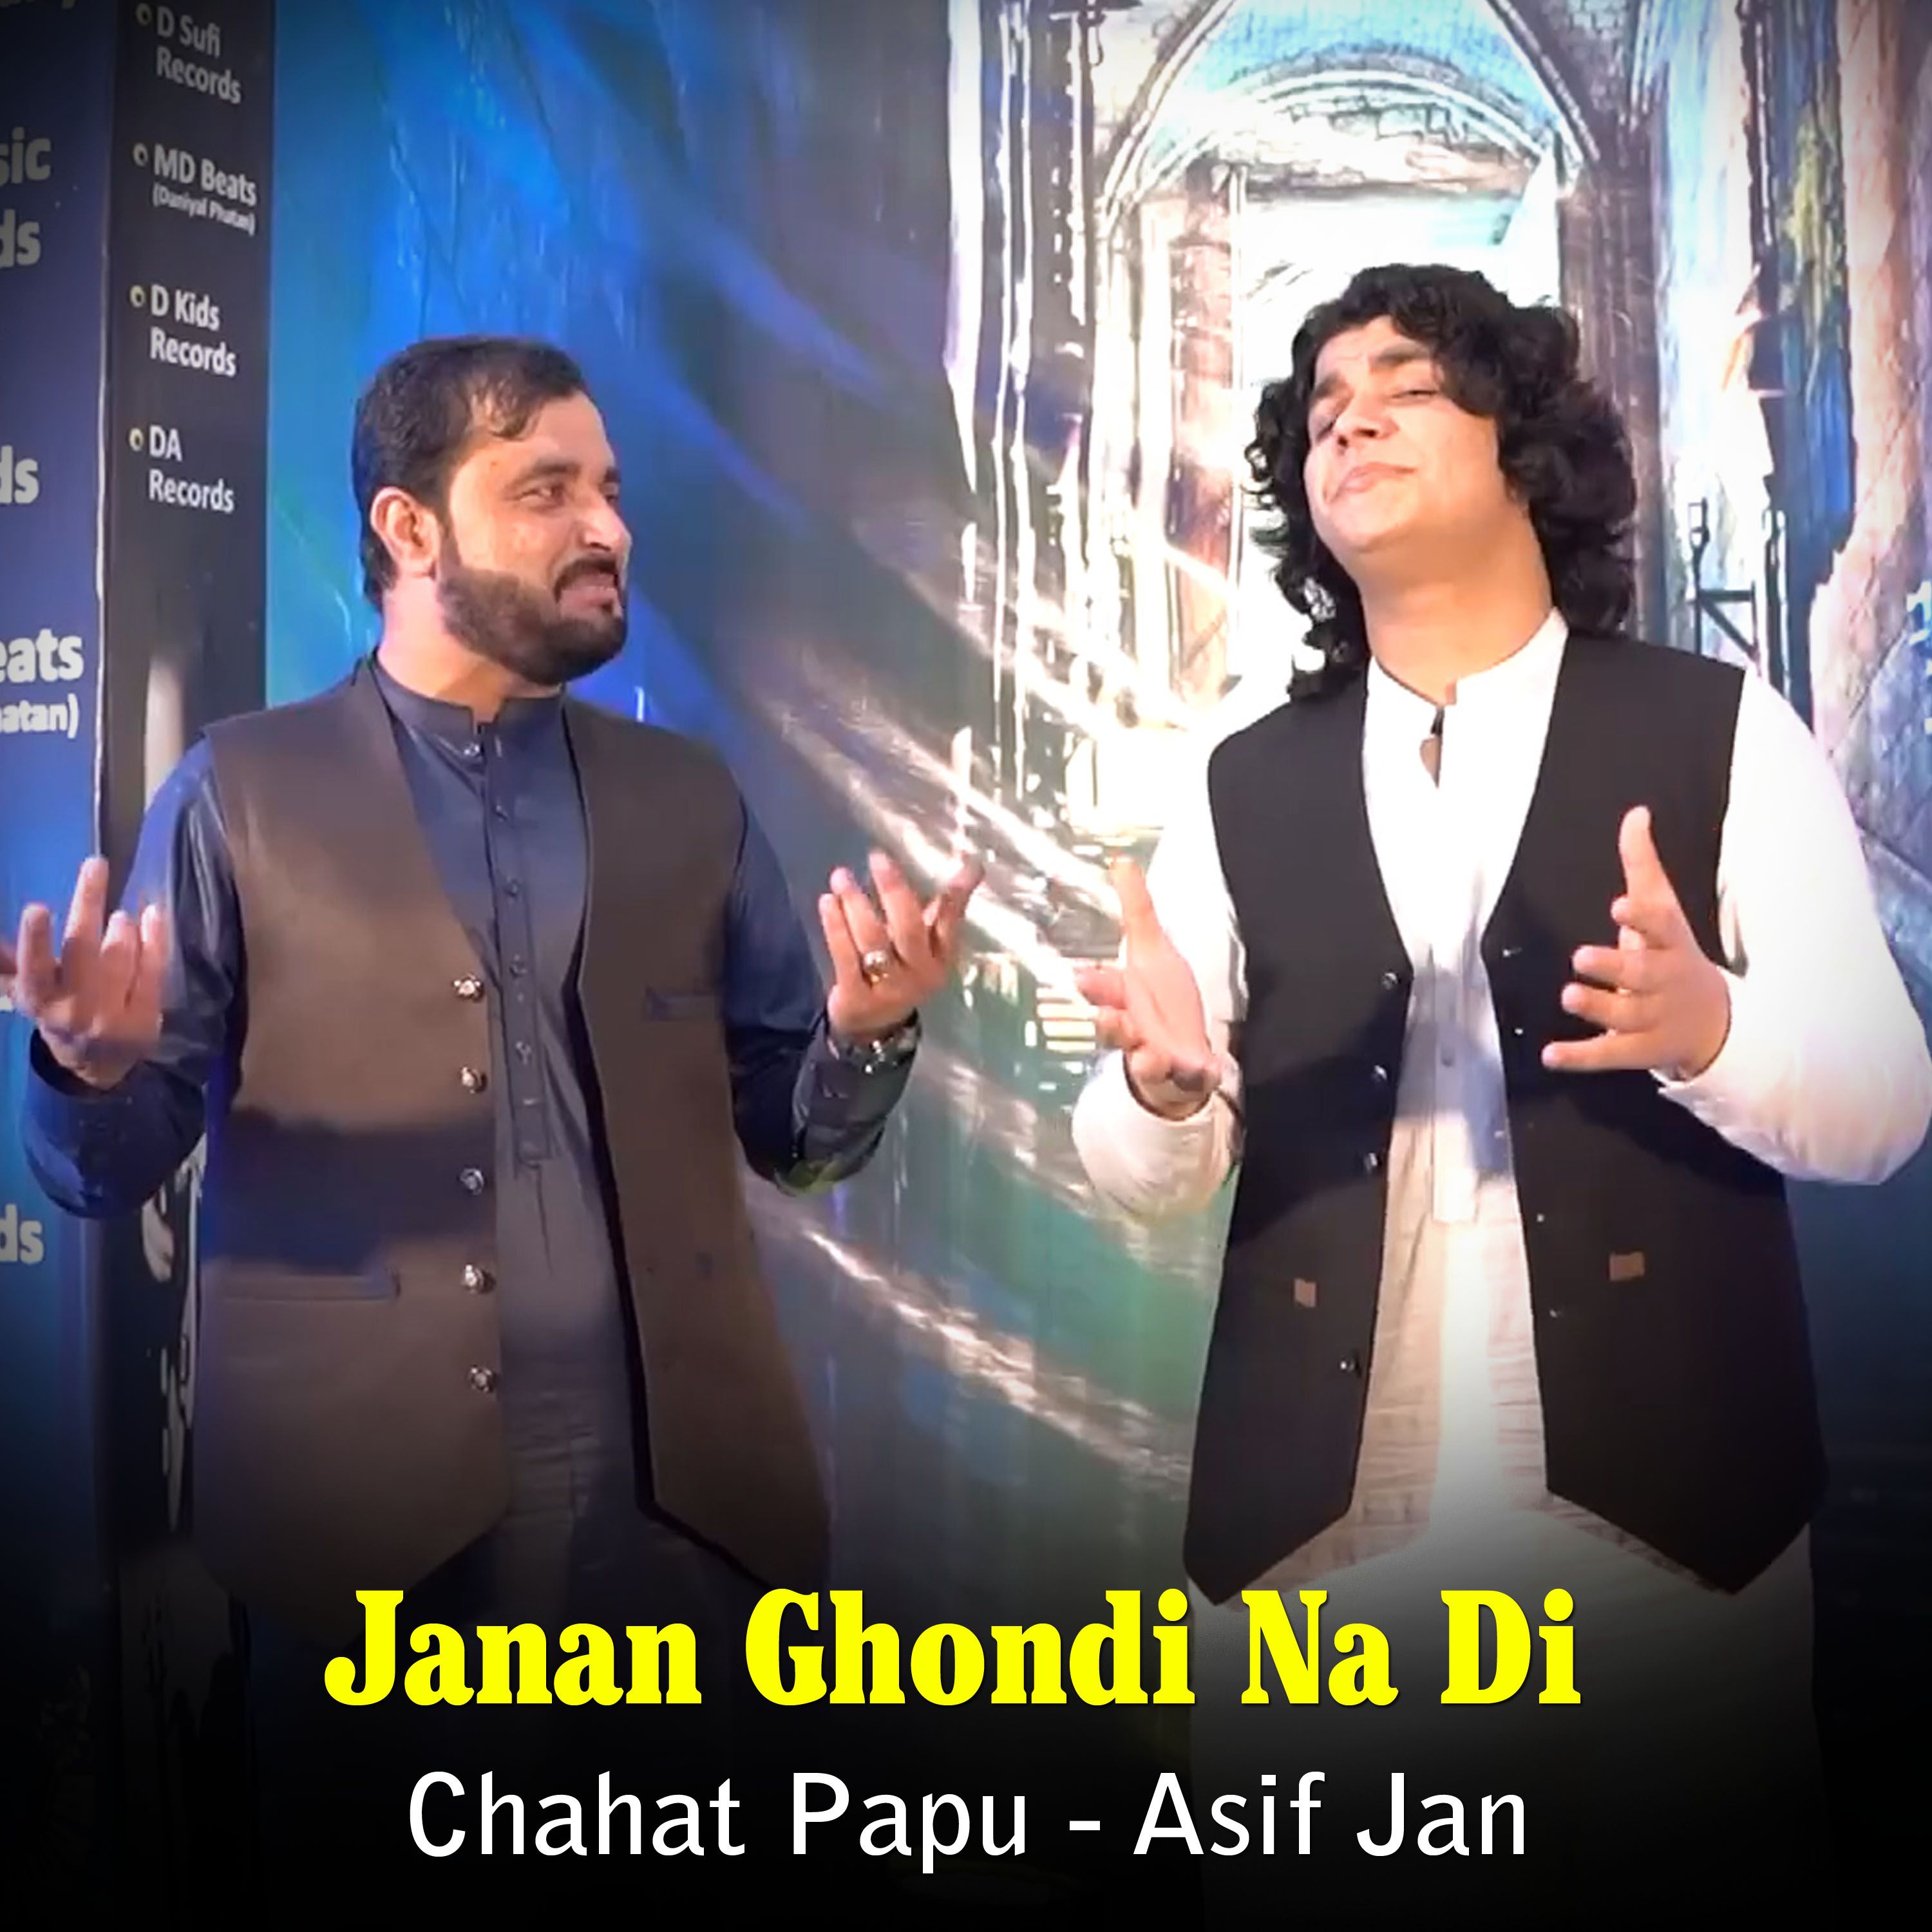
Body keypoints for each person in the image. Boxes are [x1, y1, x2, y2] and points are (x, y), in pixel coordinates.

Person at [3, 336, 981, 1901]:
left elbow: (797, 1140)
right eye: (547, 491)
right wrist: (93, 1069)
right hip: (363, 1546)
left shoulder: (688, 798)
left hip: (683, 1530)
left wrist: (864, 1042)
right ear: (408, 528)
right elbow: (97, 1178)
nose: (608, 528)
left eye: (610, 489)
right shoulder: (239, 796)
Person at [1072, 264, 1931, 1915]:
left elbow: (1887, 1101)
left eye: (1405, 386)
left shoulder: (1723, 731)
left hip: (1666, 1564)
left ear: (1525, 446)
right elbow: (1147, 1168)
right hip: (1315, 1577)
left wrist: (1711, 1031)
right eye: (1324, 410)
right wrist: (1166, 1097)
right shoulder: (1244, 783)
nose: (1351, 423)